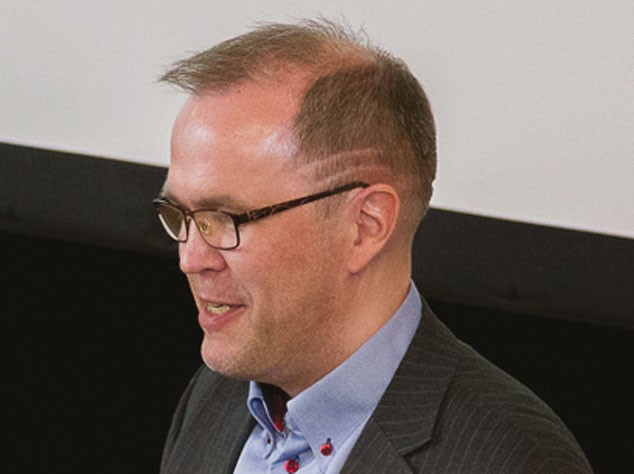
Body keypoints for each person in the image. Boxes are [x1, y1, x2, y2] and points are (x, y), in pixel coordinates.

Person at [154, 19, 592, 474]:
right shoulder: (216, 395)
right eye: (179, 215)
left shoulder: (511, 460)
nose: (190, 258)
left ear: (365, 226)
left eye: (224, 219)